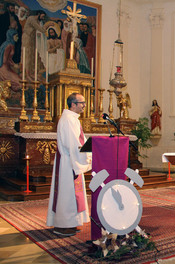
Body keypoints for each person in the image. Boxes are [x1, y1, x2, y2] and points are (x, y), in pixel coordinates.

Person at [46, 93, 92, 236]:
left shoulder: (71, 118)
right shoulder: (68, 119)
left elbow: (78, 141)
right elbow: (73, 144)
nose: (84, 105)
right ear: (73, 104)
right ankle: (63, 225)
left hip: (70, 160)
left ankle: (71, 223)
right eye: (82, 102)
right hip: (69, 162)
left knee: (72, 194)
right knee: (67, 195)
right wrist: (86, 158)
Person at [22, 10, 46, 81]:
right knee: (27, 56)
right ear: (38, 14)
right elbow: (40, 29)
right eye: (42, 16)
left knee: (32, 56)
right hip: (27, 38)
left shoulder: (37, 21)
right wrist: (47, 26)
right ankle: (27, 74)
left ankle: (30, 73)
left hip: (32, 39)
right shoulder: (32, 19)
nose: (43, 18)